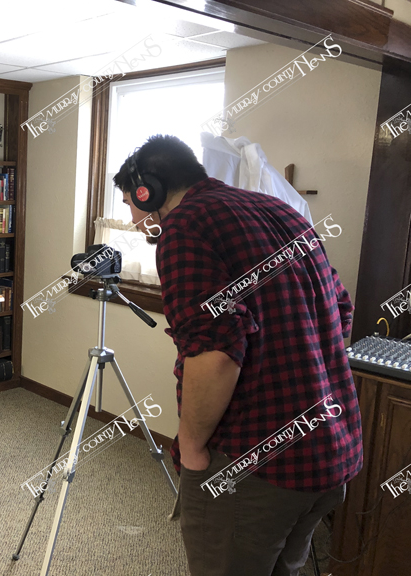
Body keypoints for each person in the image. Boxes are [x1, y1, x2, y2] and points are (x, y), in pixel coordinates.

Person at [112, 135, 362, 576]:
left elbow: (215, 353)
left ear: (147, 191)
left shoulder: (185, 226)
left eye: (130, 203)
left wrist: (190, 447)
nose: (132, 218)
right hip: (330, 453)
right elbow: (341, 311)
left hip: (256, 468)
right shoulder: (282, 211)